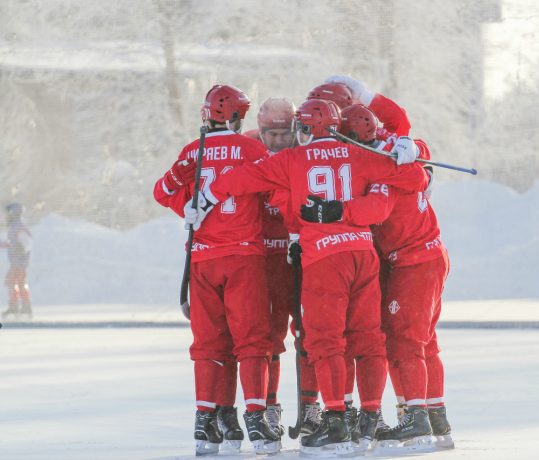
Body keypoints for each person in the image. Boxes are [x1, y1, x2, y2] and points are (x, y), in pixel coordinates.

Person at [186, 98, 428, 456]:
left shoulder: (291, 160)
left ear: (304, 129)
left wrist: (204, 198)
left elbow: (239, 180)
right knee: (369, 339)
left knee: (325, 342)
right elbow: (415, 177)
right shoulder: (358, 155)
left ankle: (334, 420)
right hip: (362, 254)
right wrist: (408, 151)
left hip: (323, 258)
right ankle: (370, 415)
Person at [320, 75, 455, 452]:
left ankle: (416, 420)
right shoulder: (392, 147)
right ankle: (435, 415)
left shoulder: (381, 162)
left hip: (414, 260)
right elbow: (404, 128)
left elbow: (376, 206)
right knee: (425, 342)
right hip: (424, 255)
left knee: (404, 342)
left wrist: (334, 210)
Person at [153, 84, 280, 456]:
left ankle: (205, 421)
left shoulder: (194, 151)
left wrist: (186, 206)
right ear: (239, 117)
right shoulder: (252, 149)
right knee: (252, 340)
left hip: (203, 259)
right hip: (243, 256)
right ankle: (256, 419)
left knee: (209, 343)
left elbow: (162, 190)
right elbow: (274, 189)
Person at [245, 97, 323, 436]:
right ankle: (271, 406)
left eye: (283, 133)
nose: (277, 141)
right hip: (266, 258)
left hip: (304, 256)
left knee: (310, 334)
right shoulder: (247, 147)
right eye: (270, 134)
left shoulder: (306, 150)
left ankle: (310, 407)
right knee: (268, 336)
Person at [0, 202, 32, 319]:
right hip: (16, 263)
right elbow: (11, 244)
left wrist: (21, 248)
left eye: (8, 214)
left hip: (19, 263)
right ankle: (17, 305)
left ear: (14, 214)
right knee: (13, 283)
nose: (6, 216)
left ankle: (22, 306)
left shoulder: (19, 226)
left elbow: (26, 244)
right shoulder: (15, 226)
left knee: (17, 283)